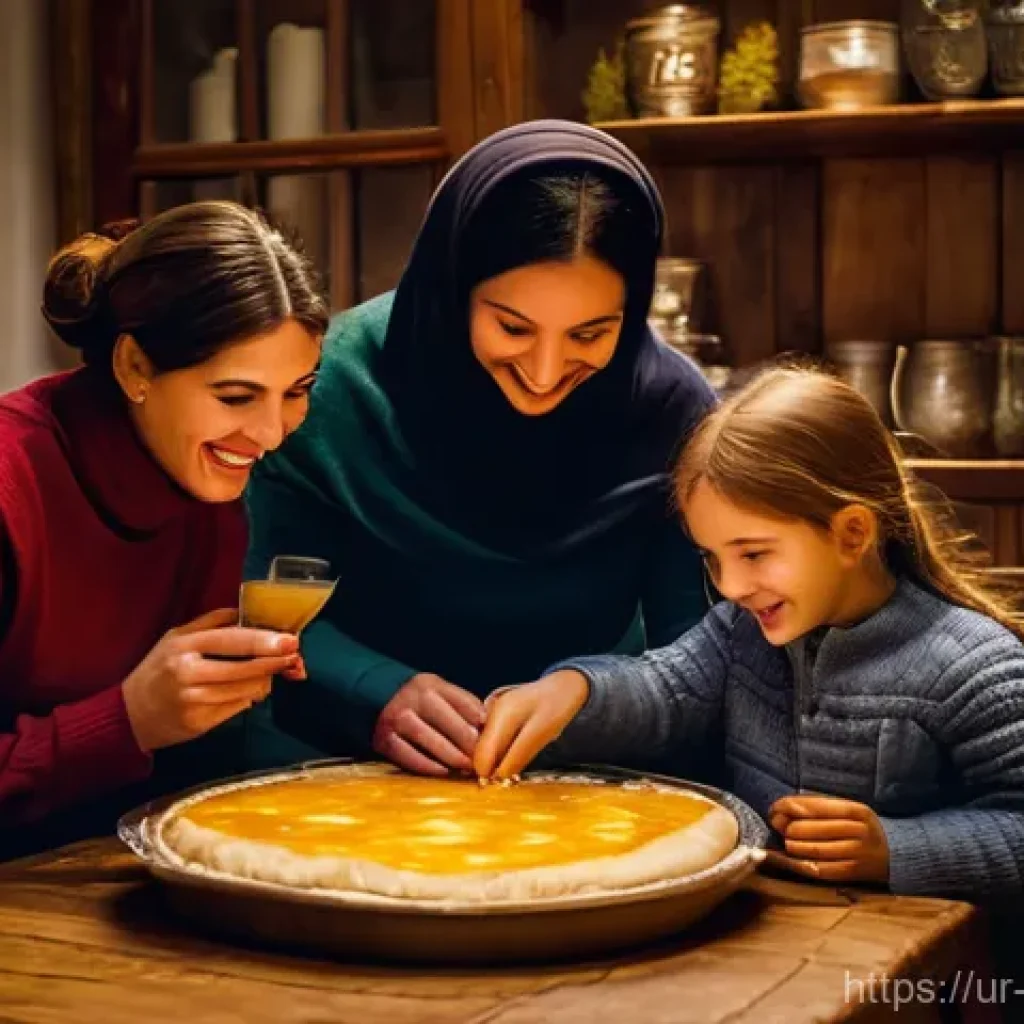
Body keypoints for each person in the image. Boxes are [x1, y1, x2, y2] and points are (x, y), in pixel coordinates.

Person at [244, 120, 718, 776]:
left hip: (586, 772)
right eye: (512, 326)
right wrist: (375, 688)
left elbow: (699, 655)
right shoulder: (326, 391)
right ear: (452, 287)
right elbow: (255, 605)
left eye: (591, 334)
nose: (546, 372)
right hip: (342, 763)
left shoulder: (670, 410)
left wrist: (589, 693)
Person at [474, 366, 1024, 901]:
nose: (731, 586)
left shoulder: (977, 667)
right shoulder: (740, 634)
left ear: (852, 533)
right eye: (712, 559)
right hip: (768, 943)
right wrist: (575, 693)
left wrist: (897, 850)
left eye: (754, 554)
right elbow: (664, 692)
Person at [0, 201, 328, 857]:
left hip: (126, 875)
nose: (269, 435)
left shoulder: (207, 478)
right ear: (135, 369)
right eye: (236, 397)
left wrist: (222, 695)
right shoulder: (13, 482)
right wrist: (128, 720)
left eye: (297, 390)